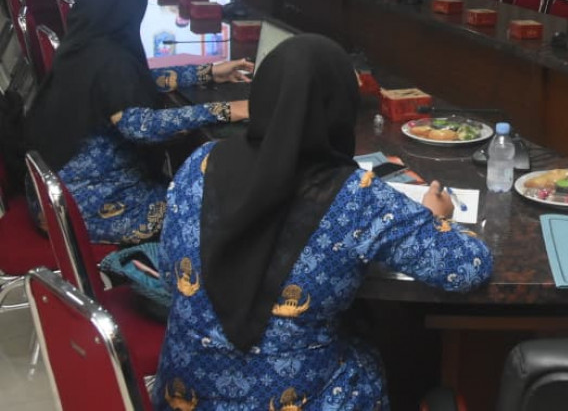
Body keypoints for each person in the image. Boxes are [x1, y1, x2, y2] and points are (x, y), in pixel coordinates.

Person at [153, 35, 492, 410]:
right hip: (299, 399)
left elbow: (172, 274)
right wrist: (434, 217)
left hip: (184, 395)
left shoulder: (201, 162)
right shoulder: (355, 196)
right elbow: (467, 267)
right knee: (377, 350)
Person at [23, 0, 250, 244]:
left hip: (53, 193)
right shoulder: (111, 61)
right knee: (211, 210)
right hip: (87, 205)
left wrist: (209, 72)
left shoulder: (83, 46)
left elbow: (134, 82)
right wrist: (226, 110)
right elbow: (141, 127)